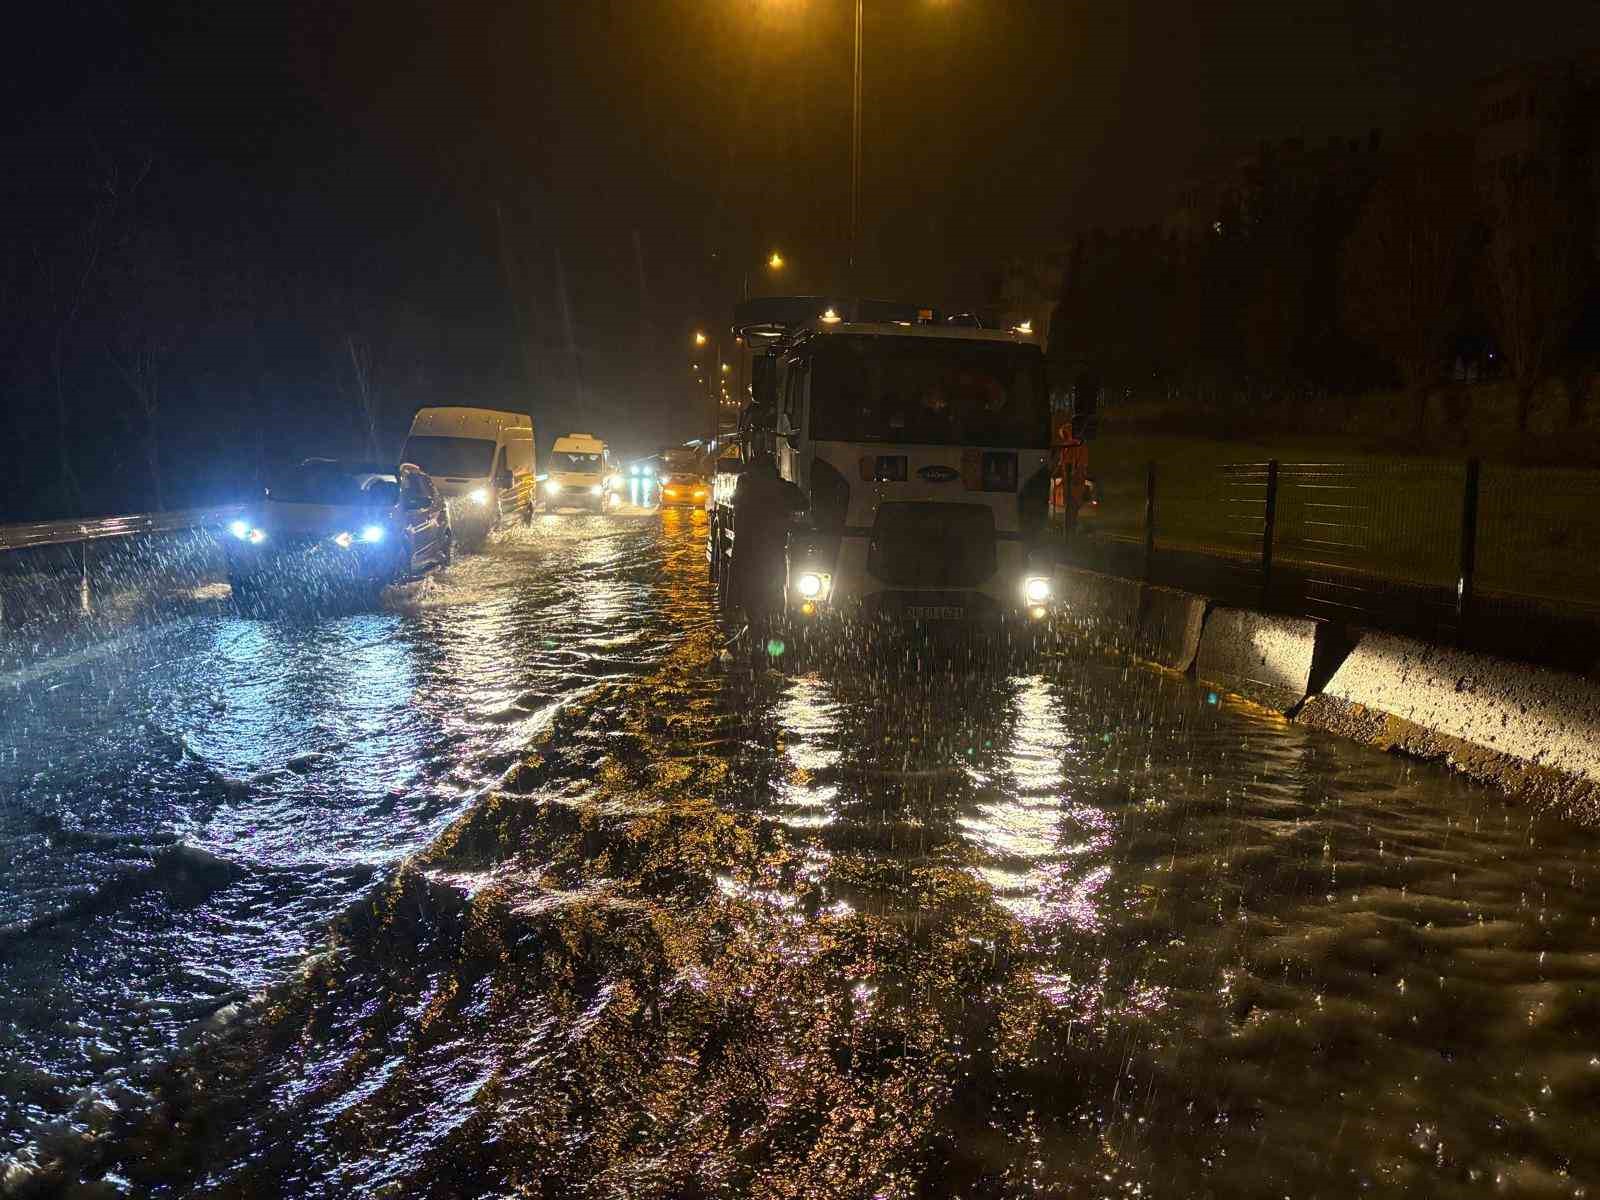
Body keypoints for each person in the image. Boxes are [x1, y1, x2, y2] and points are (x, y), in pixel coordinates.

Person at [729, 445, 803, 634]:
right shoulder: (780, 488)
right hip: (773, 553)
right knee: (773, 594)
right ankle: (771, 632)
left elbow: (736, 502)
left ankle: (756, 633)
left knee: (750, 596)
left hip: (748, 553)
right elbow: (803, 503)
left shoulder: (745, 485)